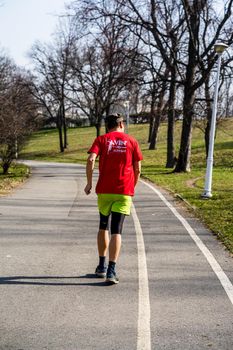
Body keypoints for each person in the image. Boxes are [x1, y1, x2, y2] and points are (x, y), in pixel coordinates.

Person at [84, 114, 143, 284]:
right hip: (124, 190)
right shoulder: (132, 141)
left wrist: (89, 183)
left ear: (107, 126)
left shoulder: (101, 139)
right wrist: (133, 187)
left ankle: (101, 266)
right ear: (121, 124)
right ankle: (111, 270)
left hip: (104, 190)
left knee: (103, 225)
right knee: (117, 229)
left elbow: (90, 159)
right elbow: (138, 168)